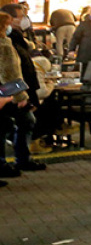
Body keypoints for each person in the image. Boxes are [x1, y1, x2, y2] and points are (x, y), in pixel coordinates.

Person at [0, 13, 43, 178]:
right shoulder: (4, 45)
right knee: (20, 122)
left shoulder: (10, 41)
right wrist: (20, 96)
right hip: (6, 93)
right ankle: (15, 161)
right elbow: (9, 73)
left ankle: (14, 161)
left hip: (6, 93)